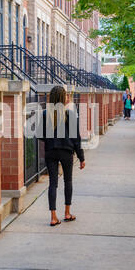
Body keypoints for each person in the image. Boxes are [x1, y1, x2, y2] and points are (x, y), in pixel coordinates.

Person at [39, 86, 85, 226]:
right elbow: (76, 138)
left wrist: (50, 139)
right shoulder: (69, 114)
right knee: (68, 181)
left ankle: (53, 217)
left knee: (53, 183)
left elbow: (40, 135)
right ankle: (67, 213)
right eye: (66, 96)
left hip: (50, 151)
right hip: (66, 151)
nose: (68, 98)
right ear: (61, 98)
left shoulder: (46, 114)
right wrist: (81, 157)